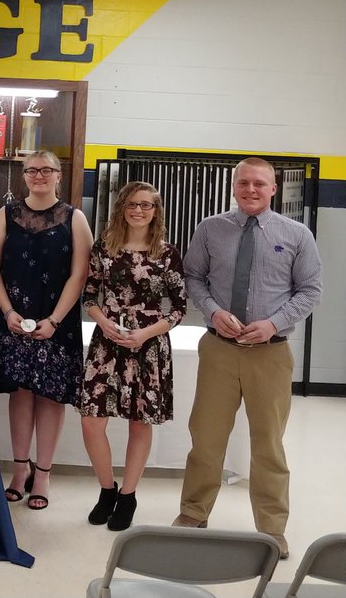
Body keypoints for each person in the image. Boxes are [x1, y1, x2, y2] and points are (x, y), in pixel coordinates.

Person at [174, 157, 322, 559]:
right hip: (219, 350)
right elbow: (192, 277)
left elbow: (310, 290)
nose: (251, 190)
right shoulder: (210, 229)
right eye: (244, 183)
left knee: (269, 445)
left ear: (273, 189)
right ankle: (192, 514)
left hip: (270, 355)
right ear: (234, 186)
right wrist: (213, 311)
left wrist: (274, 324)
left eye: (260, 183)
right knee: (205, 437)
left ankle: (272, 529)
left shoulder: (296, 235)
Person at [0, 150, 93, 510]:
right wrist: (7, 311)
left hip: (56, 322)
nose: (39, 175)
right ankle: (20, 470)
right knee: (21, 393)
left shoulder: (75, 218)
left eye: (46, 170)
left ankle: (43, 474)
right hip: (13, 317)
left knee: (49, 397)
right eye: (32, 170)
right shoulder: (5, 215)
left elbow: (80, 275)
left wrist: (55, 321)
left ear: (58, 176)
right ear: (24, 175)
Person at [80, 181, 186, 531]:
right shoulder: (103, 248)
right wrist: (105, 324)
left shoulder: (167, 253)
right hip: (107, 342)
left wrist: (145, 333)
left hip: (148, 345)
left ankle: (128, 495)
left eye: (146, 205)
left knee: (139, 421)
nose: (139, 211)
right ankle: (106, 489)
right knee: (91, 420)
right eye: (132, 205)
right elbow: (90, 297)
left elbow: (179, 309)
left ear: (156, 212)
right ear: (121, 208)